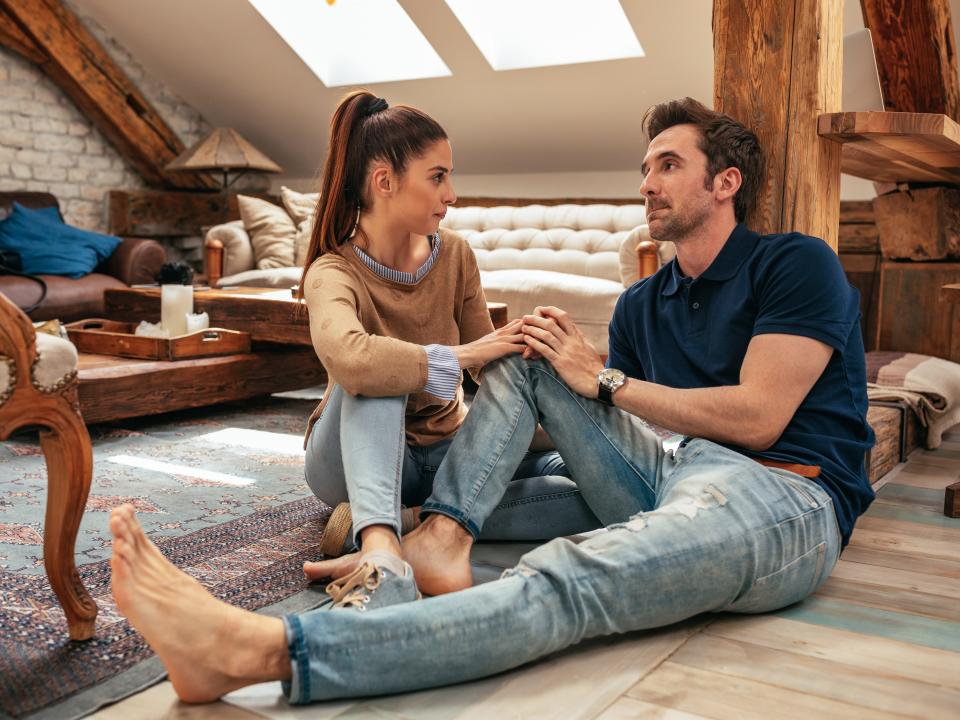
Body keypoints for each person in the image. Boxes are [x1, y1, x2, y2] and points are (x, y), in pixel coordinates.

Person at [107, 96, 874, 704]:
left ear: (725, 182)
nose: (646, 183)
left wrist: (598, 379)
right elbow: (613, 420)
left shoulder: (794, 264)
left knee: (572, 579)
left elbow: (759, 417)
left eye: (668, 165)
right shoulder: (644, 303)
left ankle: (263, 651)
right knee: (534, 344)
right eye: (645, 167)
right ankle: (438, 532)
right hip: (667, 471)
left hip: (781, 493)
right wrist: (558, 379)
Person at [293, 90, 601, 610]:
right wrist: (457, 357)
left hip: (442, 455)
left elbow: (493, 369)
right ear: (384, 182)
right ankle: (381, 546)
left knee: (591, 489)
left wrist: (562, 398)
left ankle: (410, 523)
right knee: (381, 370)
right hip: (347, 455)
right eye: (438, 176)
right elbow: (351, 359)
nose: (452, 193)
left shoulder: (456, 255)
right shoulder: (333, 270)